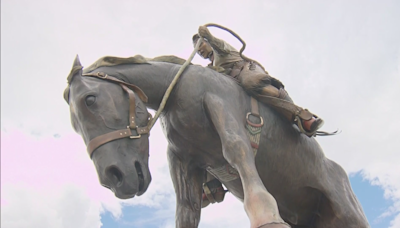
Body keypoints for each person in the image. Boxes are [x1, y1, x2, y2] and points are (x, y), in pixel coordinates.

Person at [193, 26, 324, 136]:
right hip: (236, 86)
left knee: (250, 83)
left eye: (201, 44)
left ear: (207, 42)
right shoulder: (210, 68)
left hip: (246, 70)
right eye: (197, 50)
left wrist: (209, 36)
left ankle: (301, 115)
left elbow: (219, 44)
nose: (199, 50)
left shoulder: (219, 49)